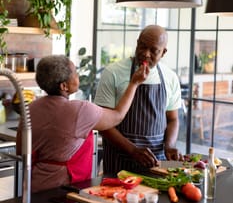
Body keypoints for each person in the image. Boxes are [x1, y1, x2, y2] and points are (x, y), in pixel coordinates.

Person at [16, 54, 152, 193]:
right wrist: (134, 83)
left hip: (34, 186)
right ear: (64, 86)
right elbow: (118, 116)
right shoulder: (80, 110)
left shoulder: (30, 108)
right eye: (75, 73)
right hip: (62, 188)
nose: (78, 75)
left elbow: (20, 150)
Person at [94, 25, 183, 175]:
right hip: (119, 161)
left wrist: (169, 145)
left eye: (153, 50)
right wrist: (133, 150)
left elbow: (173, 119)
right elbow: (103, 124)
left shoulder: (170, 77)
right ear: (137, 43)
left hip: (156, 163)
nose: (145, 54)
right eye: (142, 46)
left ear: (163, 52)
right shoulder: (113, 73)